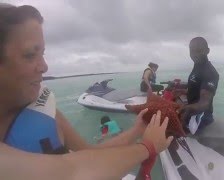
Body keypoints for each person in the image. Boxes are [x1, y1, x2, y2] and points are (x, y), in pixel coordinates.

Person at [0, 3, 173, 180]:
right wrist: (147, 147)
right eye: (30, 55)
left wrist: (138, 129)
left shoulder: (40, 106)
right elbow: (72, 171)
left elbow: (88, 153)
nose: (44, 67)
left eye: (42, 54)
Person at [176, 37, 219, 132]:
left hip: (202, 116)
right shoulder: (197, 65)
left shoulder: (210, 73)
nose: (195, 54)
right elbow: (195, 86)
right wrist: (181, 90)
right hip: (191, 109)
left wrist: (183, 108)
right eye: (192, 51)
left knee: (170, 128)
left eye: (199, 50)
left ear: (207, 51)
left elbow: (204, 104)